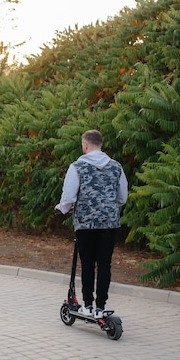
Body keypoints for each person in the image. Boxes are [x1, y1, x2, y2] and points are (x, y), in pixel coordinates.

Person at [55, 130, 128, 319]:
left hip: (85, 224)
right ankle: (101, 306)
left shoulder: (77, 166)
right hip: (109, 224)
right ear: (100, 144)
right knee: (104, 264)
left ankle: (87, 305)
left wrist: (62, 208)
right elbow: (122, 197)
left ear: (85, 145)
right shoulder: (116, 167)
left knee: (87, 264)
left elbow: (69, 196)